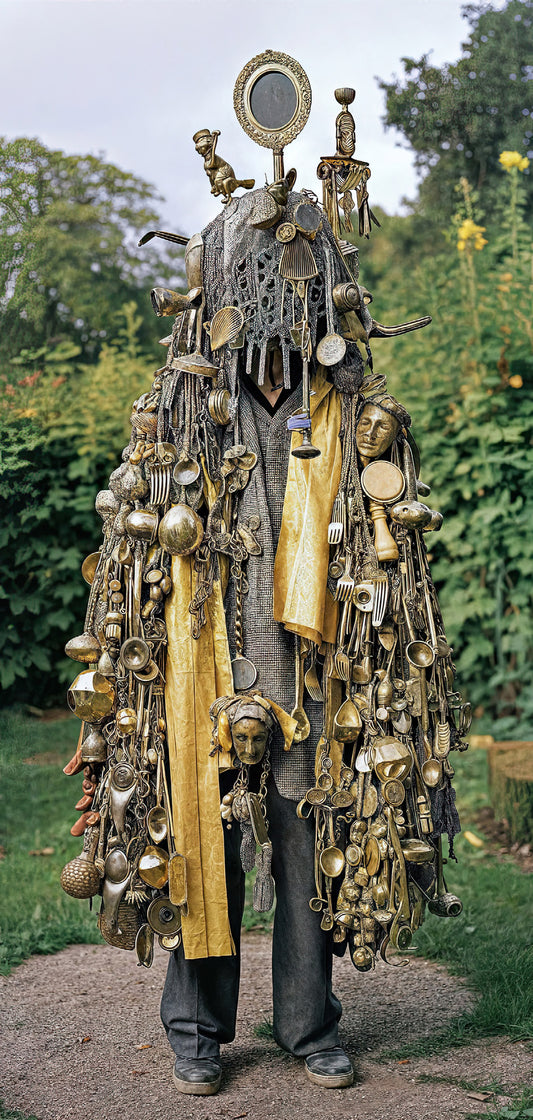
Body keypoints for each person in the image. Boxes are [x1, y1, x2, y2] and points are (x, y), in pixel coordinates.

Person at [61, 102, 466, 1103]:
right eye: (259, 286)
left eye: (297, 289)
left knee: (304, 841)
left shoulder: (352, 413)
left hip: (314, 671)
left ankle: (307, 1023)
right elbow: (135, 553)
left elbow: (392, 555)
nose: (280, 313)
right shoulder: (181, 409)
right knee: (199, 842)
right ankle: (197, 1031)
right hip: (200, 665)